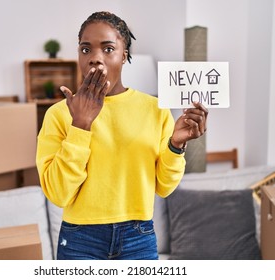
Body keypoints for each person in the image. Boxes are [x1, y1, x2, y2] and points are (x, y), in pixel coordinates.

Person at [36, 11, 208, 260]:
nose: (95, 59)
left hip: (138, 238)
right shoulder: (59, 114)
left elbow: (164, 187)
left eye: (108, 49)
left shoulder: (155, 109)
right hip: (79, 240)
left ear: (124, 56)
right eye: (86, 50)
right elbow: (58, 193)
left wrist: (176, 145)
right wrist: (80, 126)